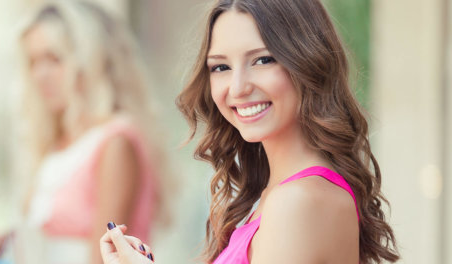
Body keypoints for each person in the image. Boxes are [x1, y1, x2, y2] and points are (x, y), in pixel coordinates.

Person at [100, 0, 399, 263]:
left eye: (263, 60)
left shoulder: (298, 201)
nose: (238, 87)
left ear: (308, 62)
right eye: (220, 67)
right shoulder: (279, 195)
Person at [0, 1, 170, 264]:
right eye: (33, 62)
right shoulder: (55, 144)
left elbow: (102, 257)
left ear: (90, 60)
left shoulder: (116, 141)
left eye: (54, 59)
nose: (40, 74)